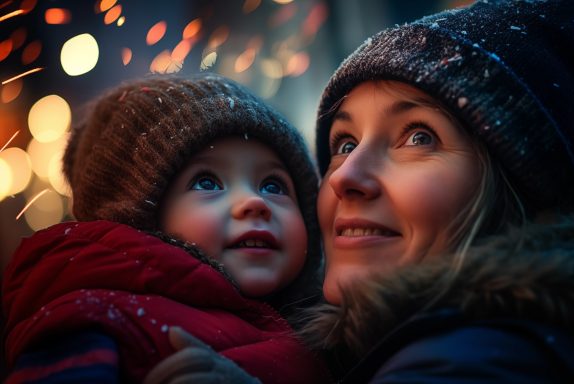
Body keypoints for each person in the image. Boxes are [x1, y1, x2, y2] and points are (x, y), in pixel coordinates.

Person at [143, 0, 574, 383]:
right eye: (344, 144)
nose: (343, 176)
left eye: (419, 137)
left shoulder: (476, 361)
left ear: (523, 177)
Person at [1, 73, 331, 383]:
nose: (255, 202)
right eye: (207, 182)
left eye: (273, 185)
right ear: (141, 217)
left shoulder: (327, 328)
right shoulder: (93, 320)